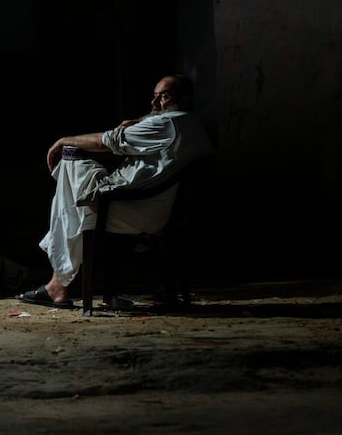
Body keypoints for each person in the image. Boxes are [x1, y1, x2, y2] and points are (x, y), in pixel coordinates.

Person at [18, 74, 214, 309]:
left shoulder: (167, 125)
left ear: (184, 99)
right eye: (154, 96)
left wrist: (62, 141)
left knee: (70, 166)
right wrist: (139, 123)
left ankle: (58, 286)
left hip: (136, 211)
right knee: (74, 191)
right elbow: (151, 124)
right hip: (161, 210)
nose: (155, 103)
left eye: (164, 97)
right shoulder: (193, 125)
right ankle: (76, 287)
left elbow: (108, 141)